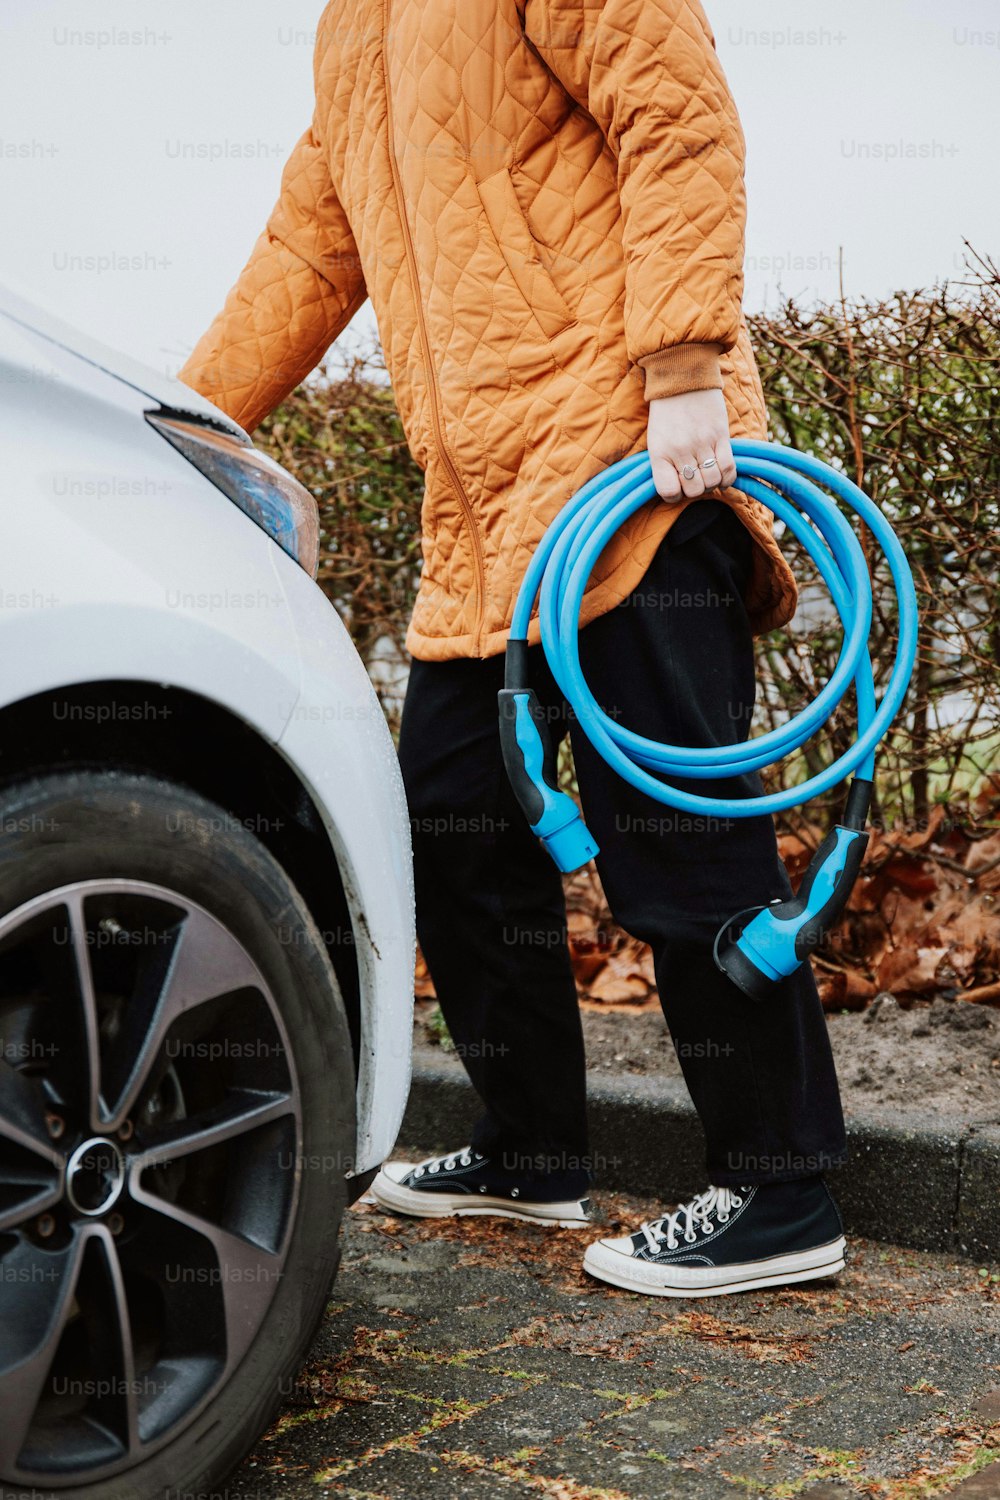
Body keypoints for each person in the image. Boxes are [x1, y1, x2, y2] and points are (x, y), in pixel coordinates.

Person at [179, 0, 847, 1298]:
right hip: (478, 518)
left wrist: (685, 360)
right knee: (452, 819)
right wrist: (185, 429)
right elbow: (305, 255)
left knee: (677, 835)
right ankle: (532, 1151)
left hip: (626, 463)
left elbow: (676, 110)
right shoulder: (351, 33)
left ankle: (780, 1191)